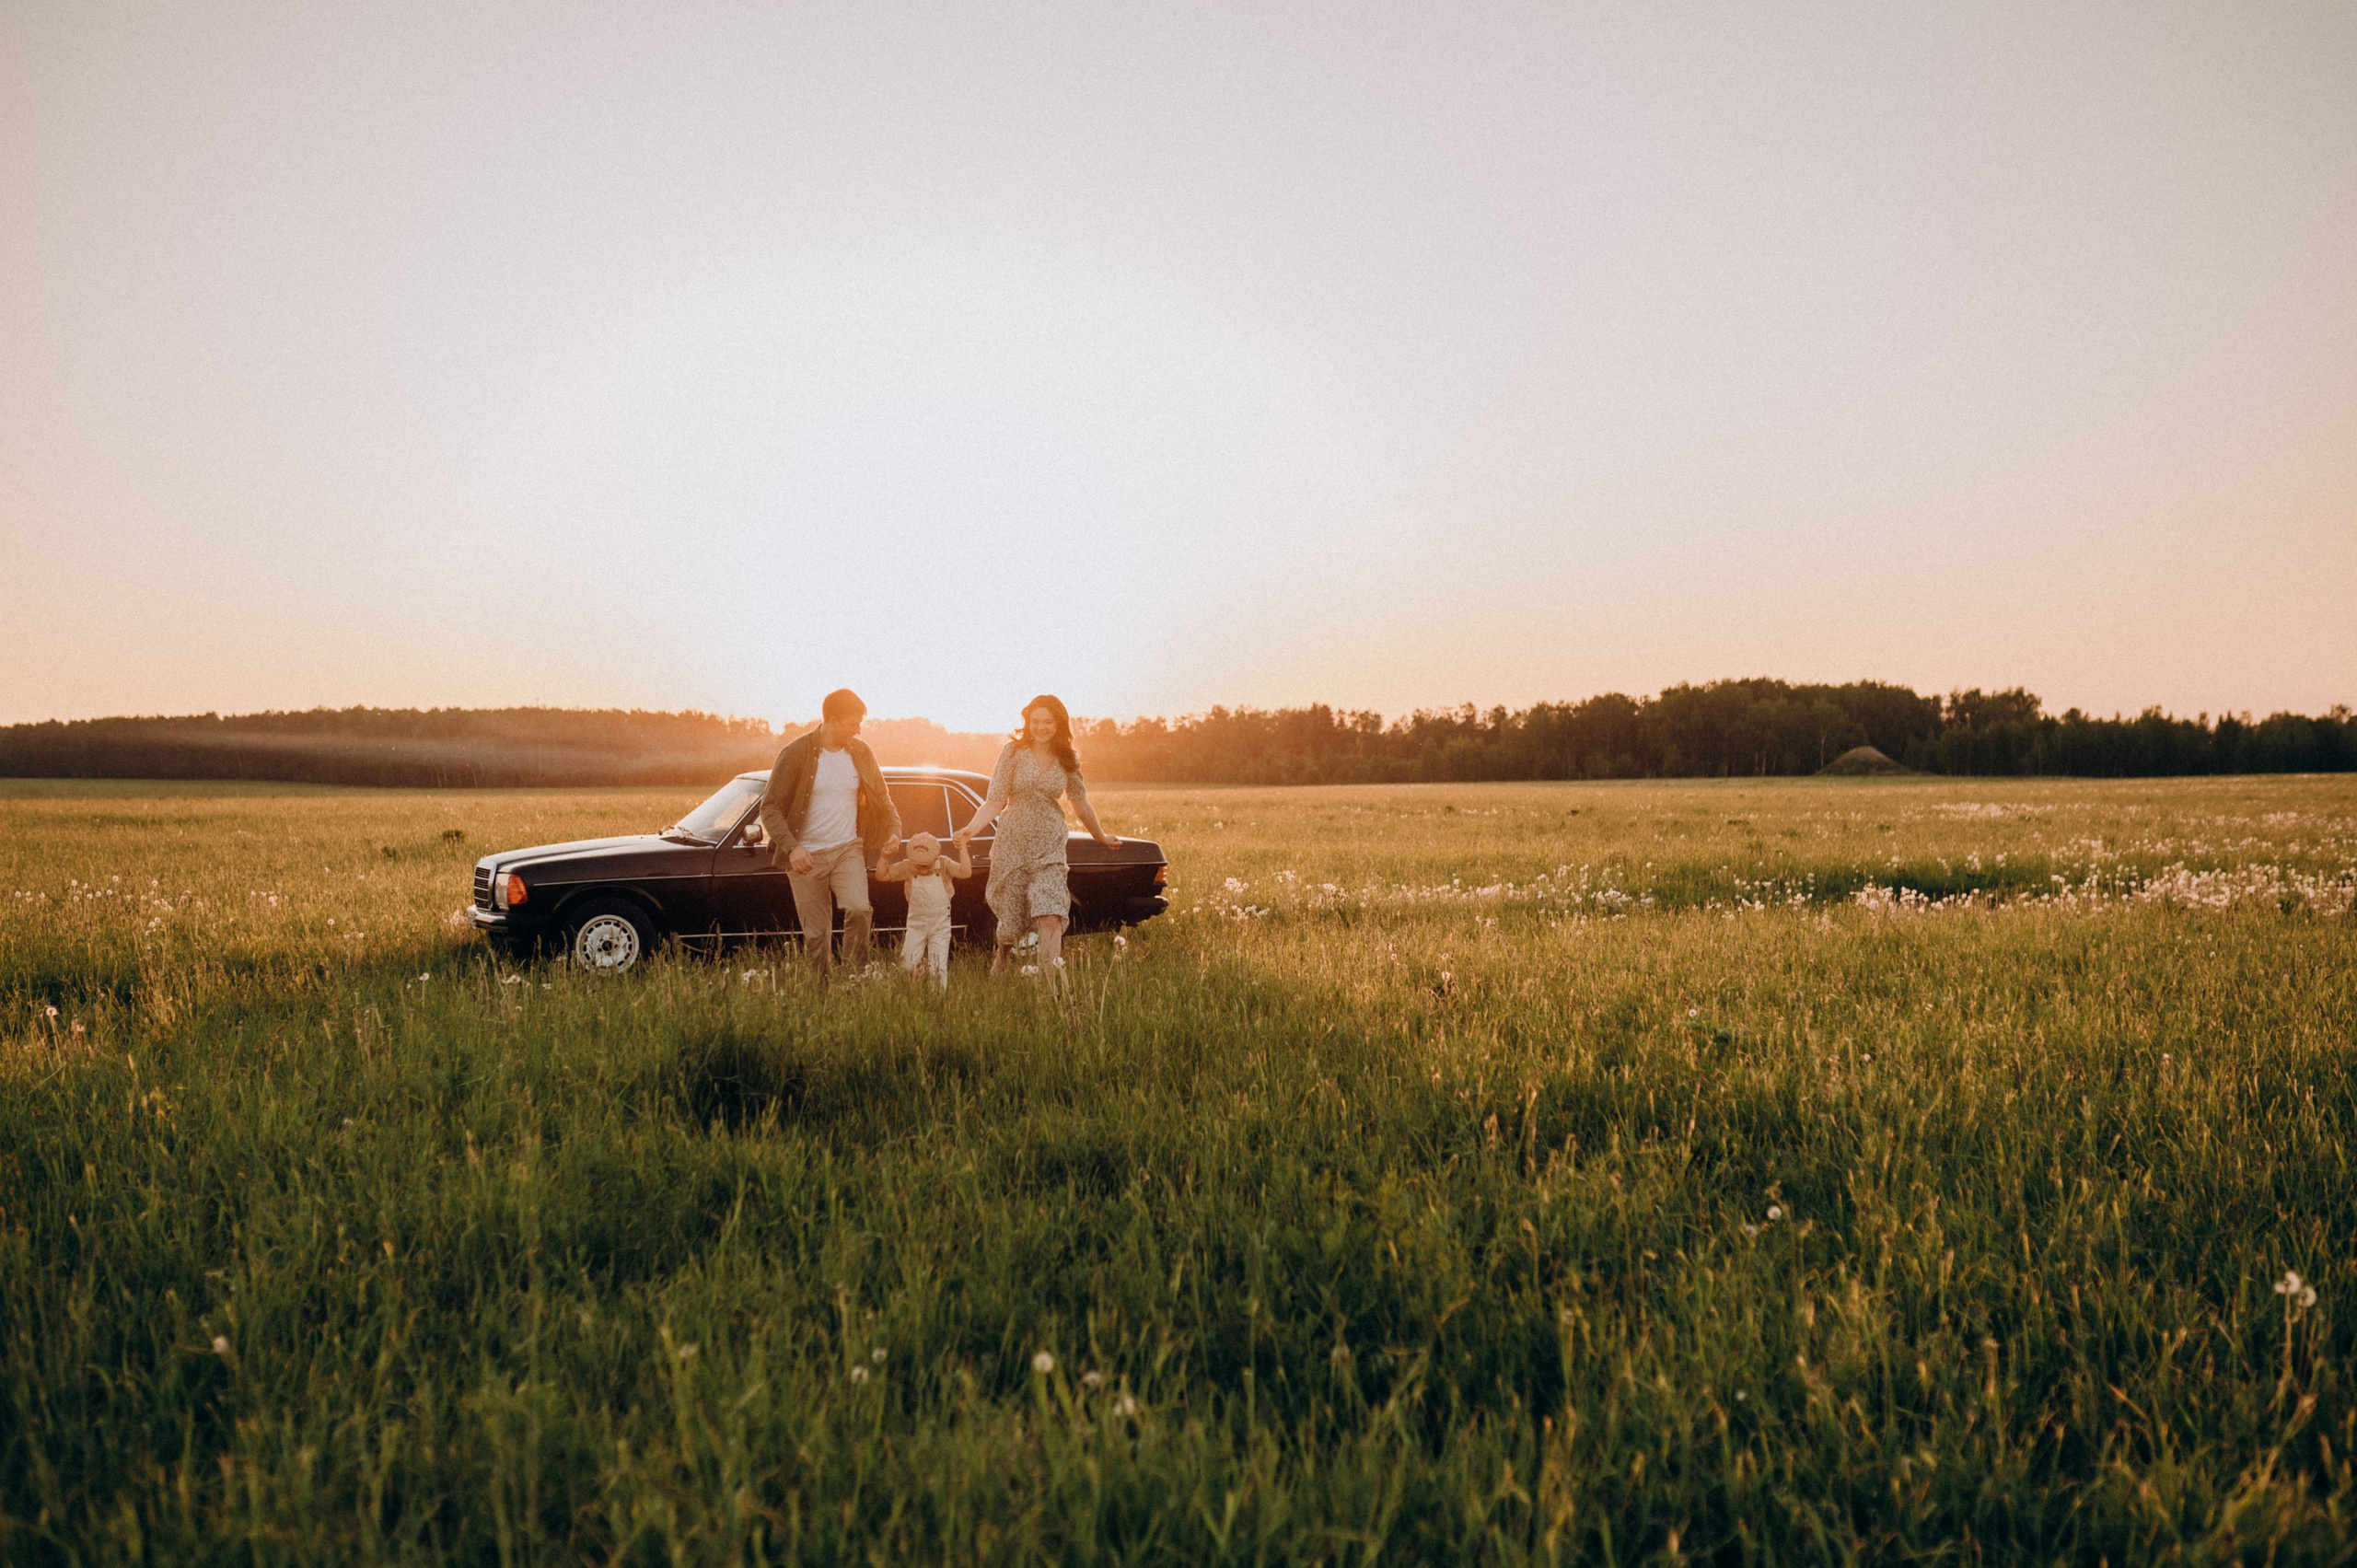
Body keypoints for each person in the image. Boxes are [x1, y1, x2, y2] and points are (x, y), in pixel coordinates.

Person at [954, 694, 1120, 985]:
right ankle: (1001, 957)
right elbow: (994, 801)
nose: (1040, 727)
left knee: (1051, 912)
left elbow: (1080, 804)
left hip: (1050, 844)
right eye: (1035, 721)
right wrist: (970, 829)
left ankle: (1049, 984)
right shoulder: (1013, 753)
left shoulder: (1069, 759)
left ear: (1058, 724)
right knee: (1012, 919)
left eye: (1047, 721)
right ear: (1028, 722)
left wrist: (1101, 836)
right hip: (1013, 843)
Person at [757, 689, 902, 981]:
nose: (858, 729)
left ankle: (854, 978)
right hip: (804, 856)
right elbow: (769, 808)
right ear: (832, 720)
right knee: (816, 935)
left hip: (847, 848)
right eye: (852, 723)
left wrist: (894, 829)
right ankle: (821, 993)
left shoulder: (861, 752)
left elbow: (883, 797)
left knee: (860, 909)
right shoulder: (795, 754)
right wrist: (792, 848)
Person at [876, 830, 973, 989]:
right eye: (918, 866)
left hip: (940, 924)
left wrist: (962, 849)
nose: (922, 870)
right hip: (916, 924)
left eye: (926, 866)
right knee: (907, 965)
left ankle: (938, 1000)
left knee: (937, 967)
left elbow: (965, 872)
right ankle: (917, 983)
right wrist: (885, 857)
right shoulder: (906, 867)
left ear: (936, 858)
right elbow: (882, 875)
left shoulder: (945, 864)